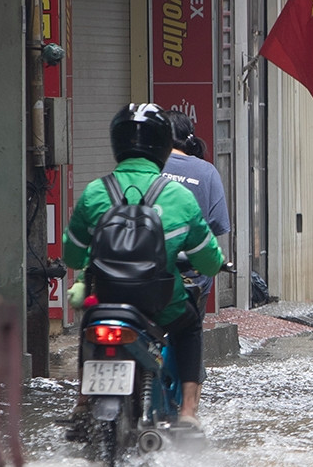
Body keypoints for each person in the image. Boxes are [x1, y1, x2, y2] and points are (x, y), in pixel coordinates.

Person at [64, 104, 222, 427]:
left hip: (104, 301)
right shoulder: (179, 197)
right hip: (160, 304)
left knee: (87, 328)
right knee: (190, 326)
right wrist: (218, 262)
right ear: (163, 145)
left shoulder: (95, 192)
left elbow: (72, 255)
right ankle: (189, 413)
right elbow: (208, 260)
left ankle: (82, 402)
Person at [161, 110, 230, 240]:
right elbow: (219, 223)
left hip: (153, 256)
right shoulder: (207, 172)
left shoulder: (149, 167)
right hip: (195, 255)